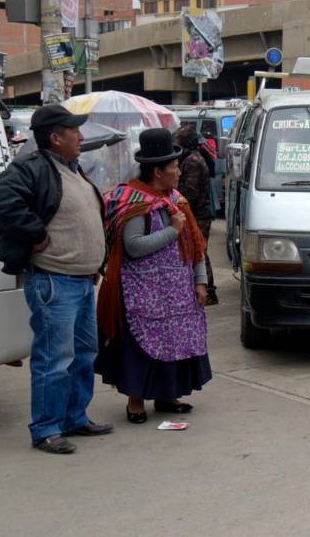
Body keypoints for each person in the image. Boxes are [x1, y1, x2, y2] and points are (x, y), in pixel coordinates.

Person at [0, 105, 112, 455]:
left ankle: (74, 417)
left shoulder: (73, 169)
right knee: (54, 359)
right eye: (74, 131)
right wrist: (36, 234)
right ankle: (46, 429)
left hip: (82, 281)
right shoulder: (33, 167)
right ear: (55, 138)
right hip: (55, 282)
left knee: (84, 354)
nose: (81, 137)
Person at [96, 128, 213, 424]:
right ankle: (135, 402)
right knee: (142, 344)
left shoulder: (176, 200)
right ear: (158, 171)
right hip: (143, 292)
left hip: (178, 291)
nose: (178, 172)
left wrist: (200, 281)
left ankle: (167, 395)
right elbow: (134, 247)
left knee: (175, 341)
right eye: (174, 167)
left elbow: (195, 246)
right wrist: (172, 230)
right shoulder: (135, 202)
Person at [175, 125, 219, 304]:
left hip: (198, 214)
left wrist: (176, 199)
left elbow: (190, 192)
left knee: (199, 251)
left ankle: (208, 292)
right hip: (198, 212)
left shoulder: (192, 161)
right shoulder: (193, 157)